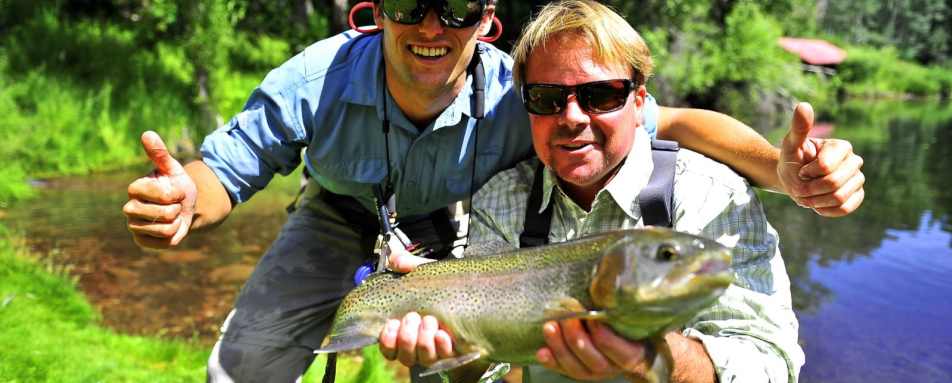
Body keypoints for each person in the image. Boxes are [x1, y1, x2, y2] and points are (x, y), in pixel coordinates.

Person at [123, 0, 856, 381]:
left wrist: (781, 173)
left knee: (441, 363)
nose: (431, 26)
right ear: (375, 11)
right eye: (409, 6)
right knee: (246, 358)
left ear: (487, 19)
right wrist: (186, 197)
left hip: (451, 230)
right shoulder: (318, 78)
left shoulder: (532, 94)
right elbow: (224, 171)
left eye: (457, 9)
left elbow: (679, 122)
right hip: (338, 211)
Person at [379, 1, 805, 382]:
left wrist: (654, 362)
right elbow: (485, 372)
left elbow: (770, 362)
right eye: (547, 98)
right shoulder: (503, 198)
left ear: (640, 102)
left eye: (600, 95)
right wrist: (452, 352)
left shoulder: (713, 196)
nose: (573, 117)